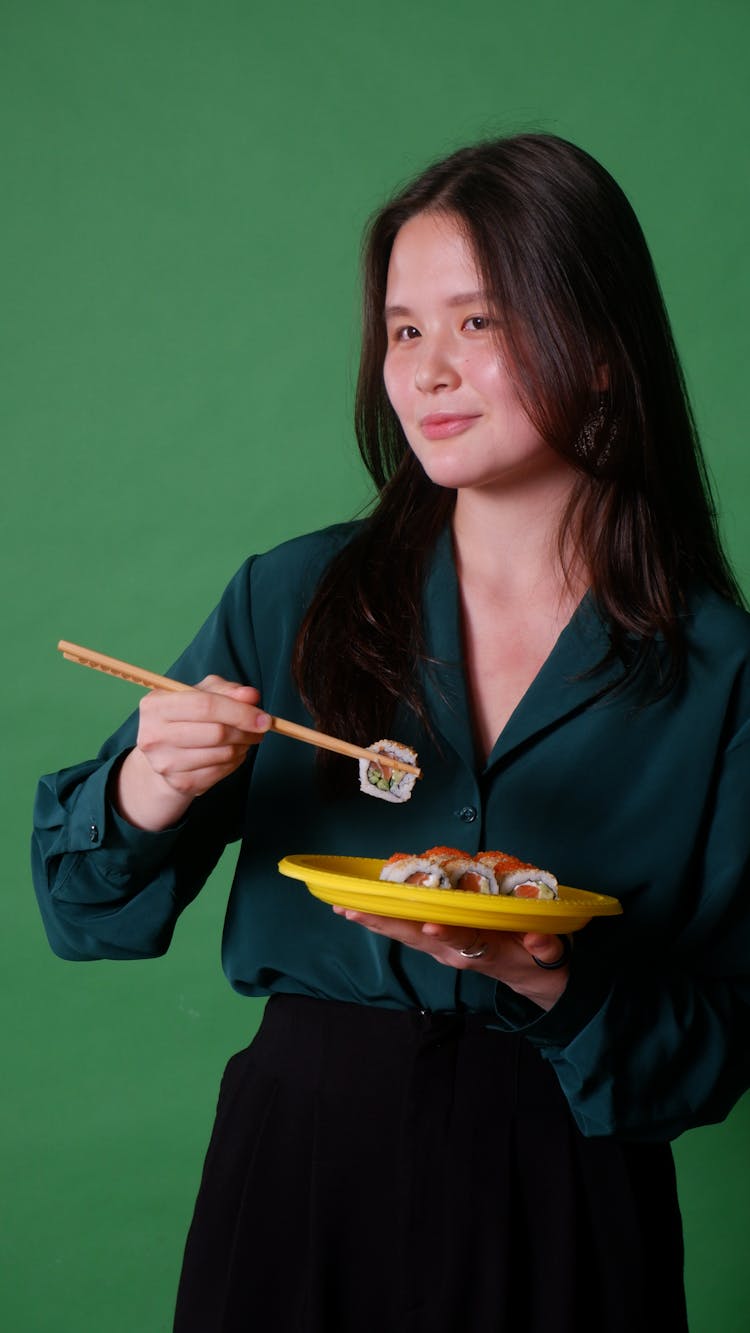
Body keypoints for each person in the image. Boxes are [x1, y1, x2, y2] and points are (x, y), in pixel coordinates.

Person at [32, 134, 750, 1333]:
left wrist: (552, 980)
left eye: (479, 320)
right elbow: (80, 907)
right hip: (299, 1169)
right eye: (405, 328)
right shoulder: (292, 598)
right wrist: (148, 786)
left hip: (568, 1187)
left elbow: (720, 1042)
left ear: (608, 350)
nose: (426, 369)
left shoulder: (719, 669)